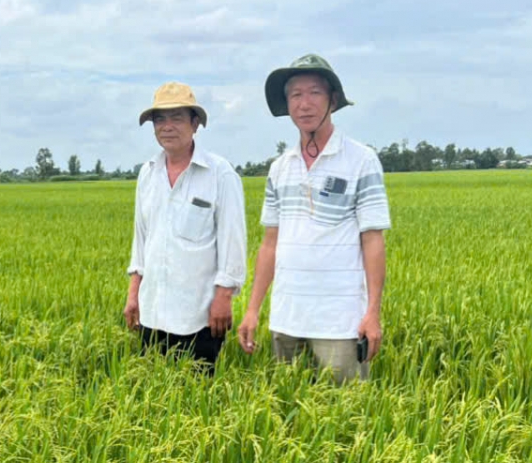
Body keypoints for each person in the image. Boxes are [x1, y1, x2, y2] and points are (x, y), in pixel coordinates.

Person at [236, 54, 391, 384]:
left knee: (346, 417)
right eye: (295, 95)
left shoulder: (361, 160)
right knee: (287, 411)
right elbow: (269, 245)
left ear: (332, 100)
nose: (304, 104)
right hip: (287, 316)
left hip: (339, 320)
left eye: (314, 93)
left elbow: (373, 240)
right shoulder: (280, 168)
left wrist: (372, 312)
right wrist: (253, 309)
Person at [125, 82, 247, 371]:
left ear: (195, 124)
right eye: (159, 119)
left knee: (199, 403)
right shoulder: (148, 173)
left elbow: (233, 242)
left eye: (177, 117)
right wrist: (134, 294)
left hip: (200, 317)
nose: (167, 126)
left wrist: (224, 297)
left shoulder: (220, 174)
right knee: (154, 398)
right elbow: (141, 239)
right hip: (152, 313)